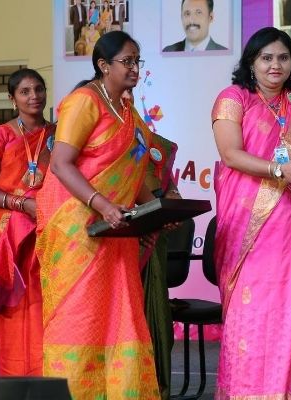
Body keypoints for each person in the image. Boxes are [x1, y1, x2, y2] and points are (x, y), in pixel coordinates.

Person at [210, 26, 291, 399]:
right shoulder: (234, 98)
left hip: (289, 225)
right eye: (266, 58)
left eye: (283, 57)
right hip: (246, 224)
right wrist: (279, 170)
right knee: (250, 312)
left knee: (286, 311)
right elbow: (230, 154)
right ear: (251, 63)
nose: (275, 65)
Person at [35, 31, 160, 399]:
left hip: (117, 231)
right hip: (79, 230)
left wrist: (154, 211)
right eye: (127, 61)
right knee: (81, 317)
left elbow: (134, 173)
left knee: (119, 317)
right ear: (104, 66)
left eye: (137, 61)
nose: (135, 68)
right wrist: (103, 205)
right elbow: (61, 164)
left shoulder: (128, 112)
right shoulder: (83, 102)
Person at [0, 68, 54, 377]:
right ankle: (16, 381)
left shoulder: (58, 135)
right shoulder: (1, 135)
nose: (34, 96)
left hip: (49, 235)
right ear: (12, 98)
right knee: (17, 311)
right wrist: (23, 204)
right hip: (12, 241)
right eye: (25, 91)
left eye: (39, 89)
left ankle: (51, 379)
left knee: (48, 307)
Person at [139, 133, 181, 400]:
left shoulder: (153, 144)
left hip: (151, 241)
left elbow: (169, 188)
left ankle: (155, 390)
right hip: (111, 236)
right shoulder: (95, 136)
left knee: (155, 321)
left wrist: (171, 205)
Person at [163, 0, 228, 52]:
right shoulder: (167, 51)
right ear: (181, 17)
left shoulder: (224, 52)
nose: (192, 21)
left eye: (198, 13)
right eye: (187, 13)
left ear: (210, 17)